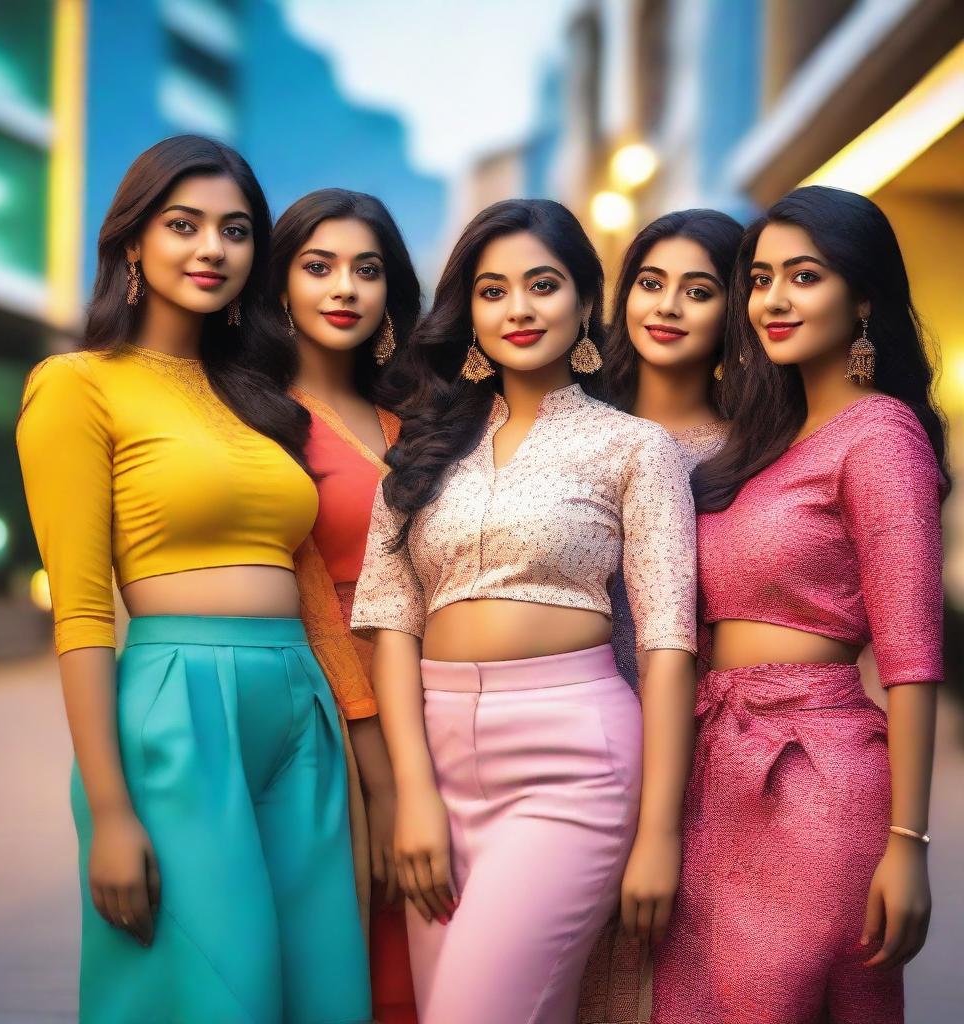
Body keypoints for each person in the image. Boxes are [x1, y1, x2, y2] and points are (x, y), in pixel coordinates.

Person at [16, 136, 370, 1023]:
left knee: (324, 989)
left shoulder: (258, 397)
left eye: (236, 230)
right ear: (133, 242)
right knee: (220, 992)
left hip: (300, 709)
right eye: (184, 225)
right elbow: (84, 612)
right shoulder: (76, 386)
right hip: (177, 707)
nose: (212, 248)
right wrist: (109, 812)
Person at [351, 199, 698, 1023]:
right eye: (493, 290)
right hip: (438, 764)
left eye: (542, 286)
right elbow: (392, 623)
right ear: (469, 312)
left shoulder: (634, 447)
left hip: (571, 764)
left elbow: (669, 643)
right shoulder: (422, 450)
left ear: (584, 303)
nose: (518, 309)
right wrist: (413, 795)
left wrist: (660, 833)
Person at [653, 185, 948, 1023]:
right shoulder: (763, 443)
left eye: (805, 277)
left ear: (861, 298)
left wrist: (907, 844)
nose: (774, 300)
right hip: (717, 774)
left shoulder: (880, 434)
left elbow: (914, 660)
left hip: (818, 779)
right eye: (761, 278)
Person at [581, 208, 742, 1024]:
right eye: (650, 283)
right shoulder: (572, 425)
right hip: (571, 744)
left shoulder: (756, 454)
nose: (668, 306)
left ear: (734, 310)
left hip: (709, 758)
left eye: (698, 289)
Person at [271, 187, 420, 1024]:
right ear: (282, 285)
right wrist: (381, 773)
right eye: (317, 266)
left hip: (439, 703)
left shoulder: (421, 421)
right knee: (361, 951)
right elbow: (311, 604)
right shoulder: (265, 425)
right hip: (333, 721)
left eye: (366, 270)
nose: (344, 289)